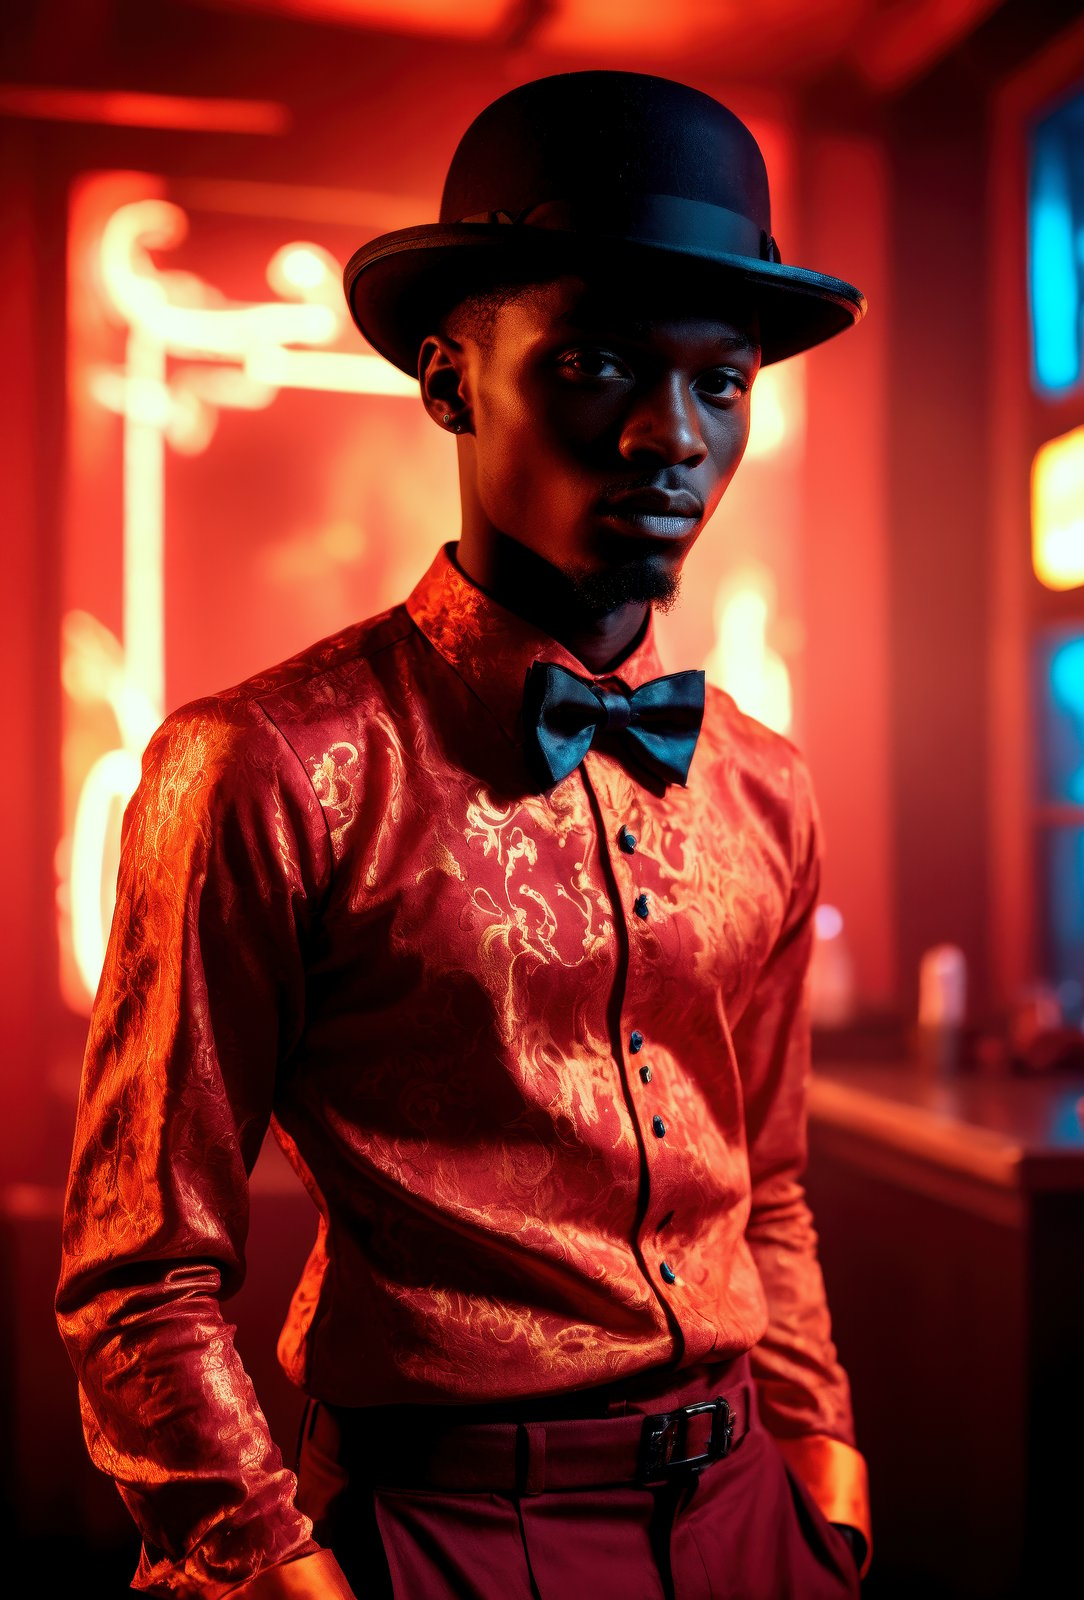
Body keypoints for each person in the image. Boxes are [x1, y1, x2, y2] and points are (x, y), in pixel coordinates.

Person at [56, 69, 871, 1599]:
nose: (669, 438)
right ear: (448, 379)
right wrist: (272, 1573)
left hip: (755, 1514)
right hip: (440, 1536)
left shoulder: (768, 785)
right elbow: (137, 1271)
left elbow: (771, 1187)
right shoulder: (260, 769)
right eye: (600, 364)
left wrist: (826, 1477)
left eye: (724, 382)